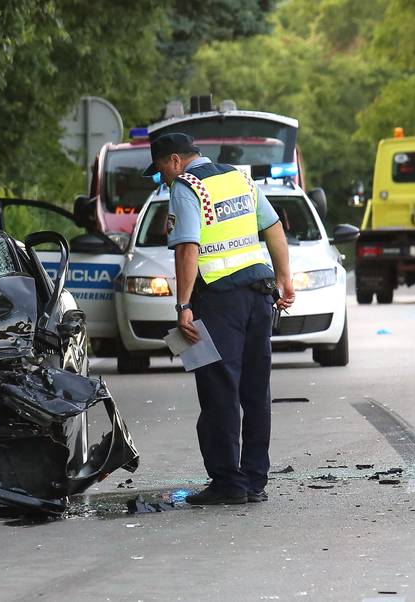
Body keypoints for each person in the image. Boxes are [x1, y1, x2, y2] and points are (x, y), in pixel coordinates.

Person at [142, 132, 295, 505]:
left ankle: (229, 483)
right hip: (260, 297)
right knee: (256, 391)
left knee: (219, 392)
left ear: (176, 160)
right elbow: (273, 227)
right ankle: (254, 480)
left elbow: (187, 249)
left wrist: (183, 307)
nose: (161, 177)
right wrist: (285, 280)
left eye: (161, 168)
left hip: (218, 301)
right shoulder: (240, 178)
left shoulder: (186, 186)